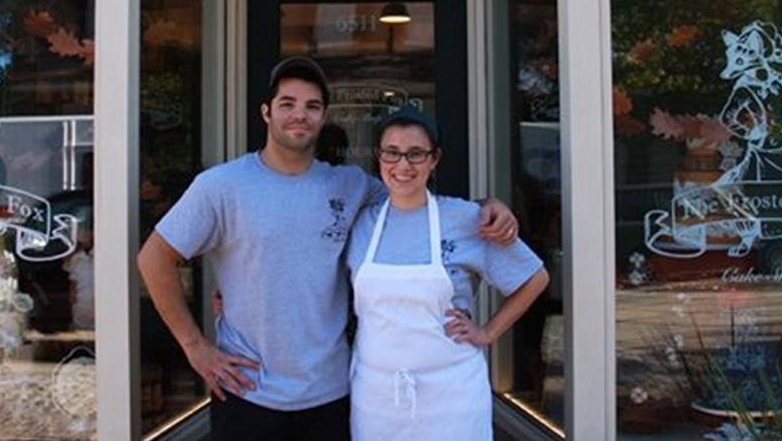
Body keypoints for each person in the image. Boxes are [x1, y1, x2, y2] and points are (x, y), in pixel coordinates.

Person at [137, 56, 518, 441]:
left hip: (331, 396)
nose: (299, 115)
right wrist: (195, 347)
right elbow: (154, 258)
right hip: (247, 393)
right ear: (266, 112)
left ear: (324, 117)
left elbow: (412, 192)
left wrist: (487, 205)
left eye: (312, 106)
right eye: (288, 104)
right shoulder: (220, 187)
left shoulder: (351, 185)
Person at [346, 106, 549, 441]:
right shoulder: (361, 221)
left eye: (416, 154)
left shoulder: (467, 218)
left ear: (434, 159)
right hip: (376, 397)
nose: (402, 166)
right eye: (392, 153)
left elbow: (535, 278)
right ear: (379, 156)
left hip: (453, 396)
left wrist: (487, 332)